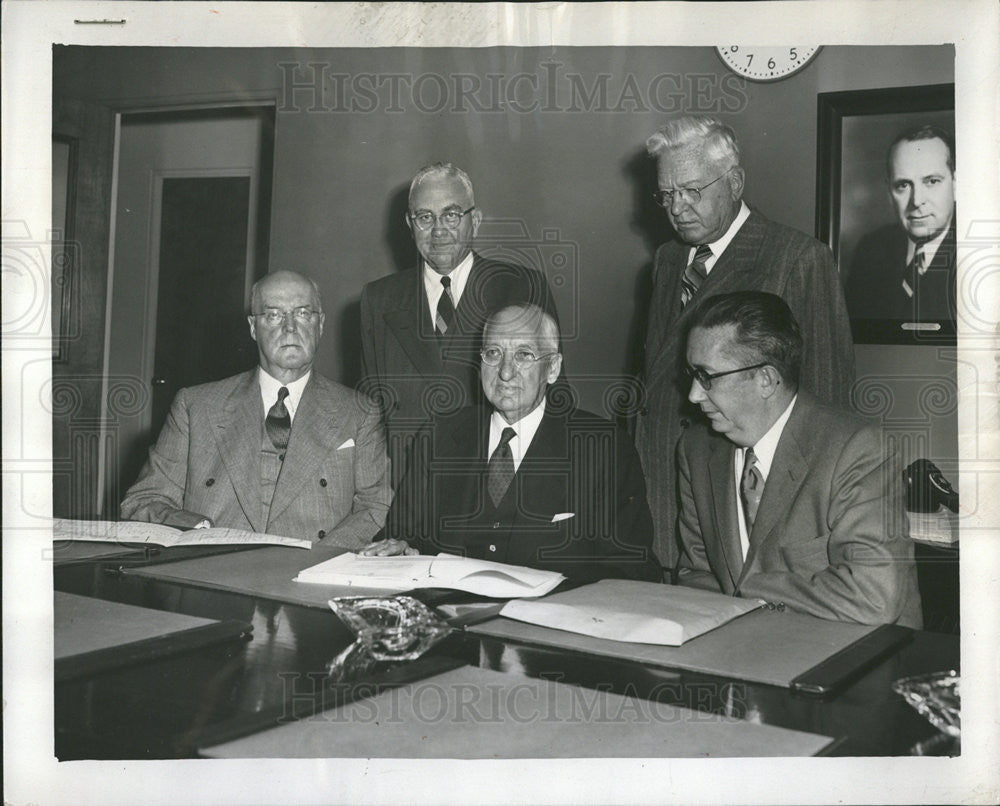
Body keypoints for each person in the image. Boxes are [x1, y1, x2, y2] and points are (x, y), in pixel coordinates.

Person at [636, 115, 856, 575]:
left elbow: (828, 398)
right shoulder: (669, 258)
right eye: (667, 194)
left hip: (740, 488)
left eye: (692, 190)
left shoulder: (797, 258)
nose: (677, 207)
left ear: (735, 182)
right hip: (659, 485)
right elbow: (658, 377)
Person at [364, 304, 661, 584]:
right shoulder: (438, 436)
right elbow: (400, 534)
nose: (505, 372)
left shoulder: (602, 447)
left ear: (553, 368)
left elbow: (631, 566)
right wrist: (399, 547)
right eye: (493, 353)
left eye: (524, 355)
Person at [675, 291, 921, 627]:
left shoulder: (856, 450)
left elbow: (873, 597)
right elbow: (697, 575)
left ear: (766, 379)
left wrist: (751, 594)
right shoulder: (696, 450)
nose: (693, 394)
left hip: (851, 659)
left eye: (707, 377)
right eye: (691, 373)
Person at [121, 271, 391, 547]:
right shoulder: (195, 406)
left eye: (302, 314)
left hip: (311, 575)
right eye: (274, 315)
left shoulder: (359, 412)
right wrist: (199, 531)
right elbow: (144, 501)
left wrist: (323, 558)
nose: (289, 327)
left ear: (320, 324)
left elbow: (375, 505)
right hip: (215, 572)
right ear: (253, 327)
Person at [360, 163, 560, 485]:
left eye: (451, 215)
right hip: (408, 483)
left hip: (495, 479)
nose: (438, 231)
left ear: (475, 221)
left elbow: (555, 397)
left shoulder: (520, 286)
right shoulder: (379, 299)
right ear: (410, 225)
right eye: (425, 217)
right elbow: (371, 411)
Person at [844, 125, 956, 322]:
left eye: (931, 181)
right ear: (889, 192)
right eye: (903, 185)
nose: (917, 200)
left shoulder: (982, 253)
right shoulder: (870, 250)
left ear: (956, 183)